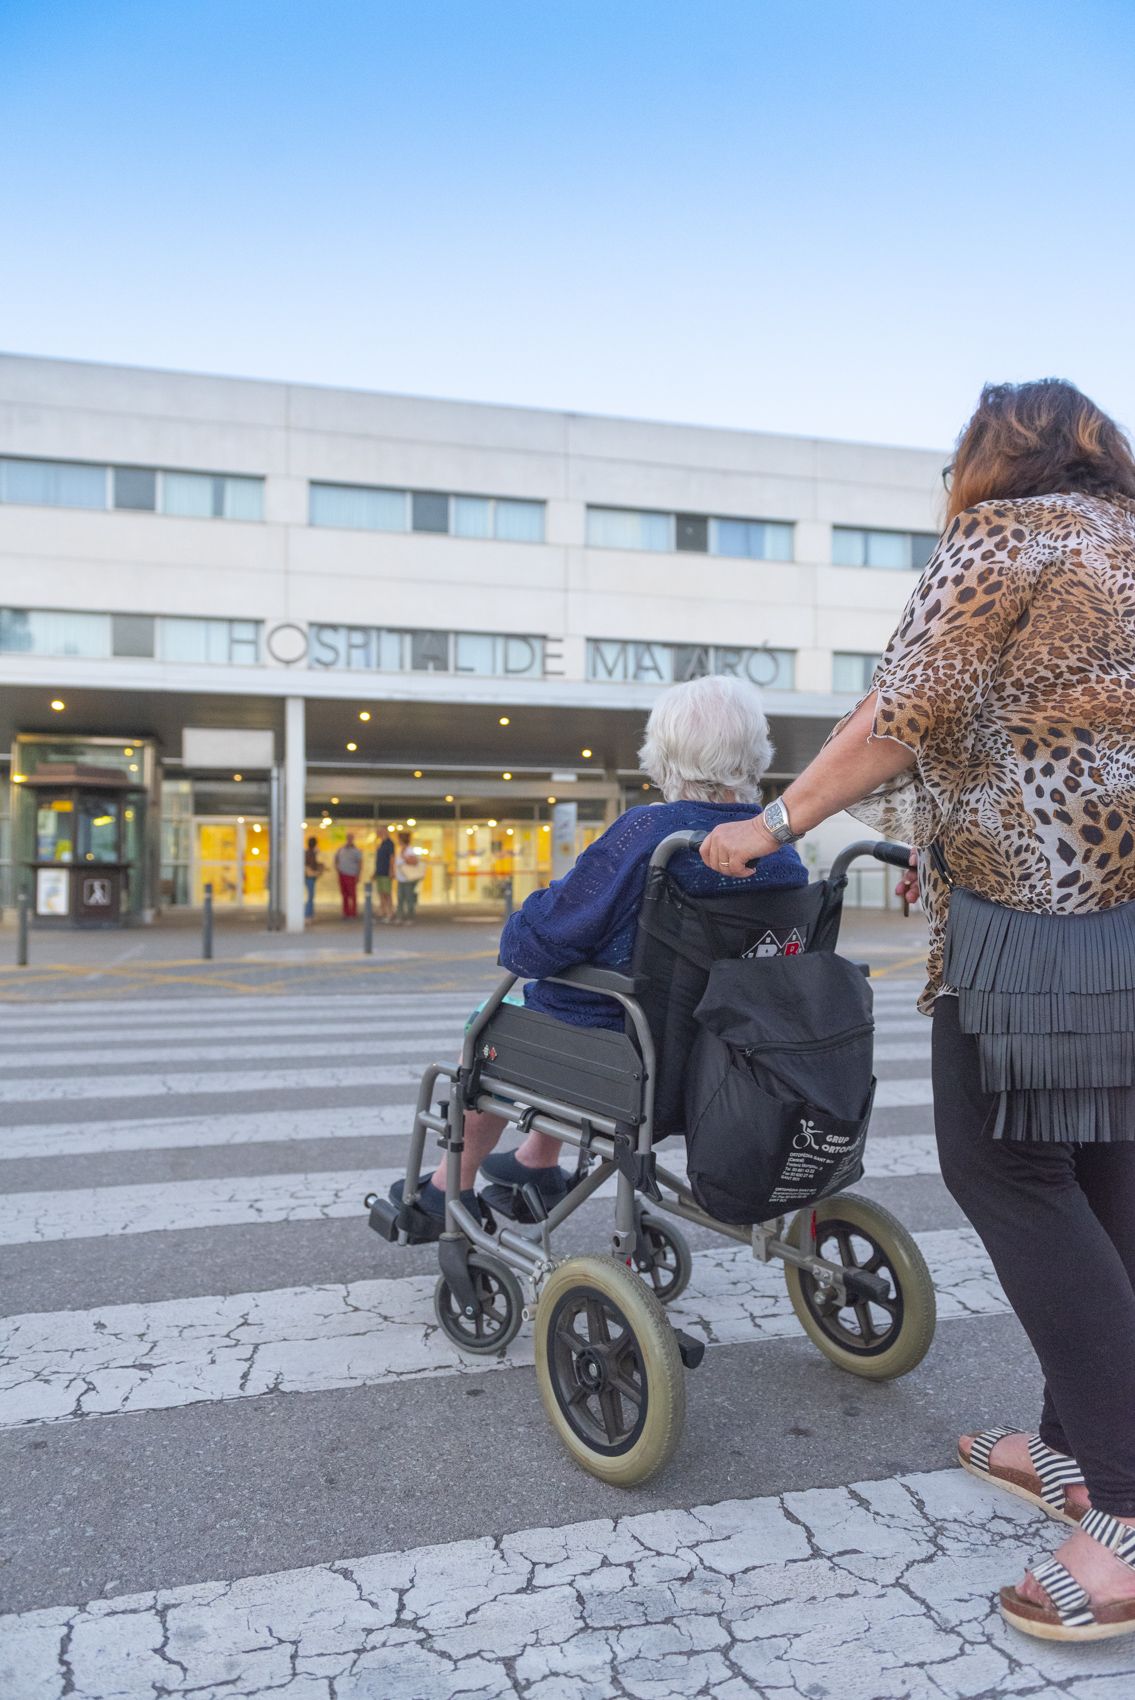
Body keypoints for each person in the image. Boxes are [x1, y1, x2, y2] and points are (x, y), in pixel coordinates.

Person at [700, 379, 1135, 1644]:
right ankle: (1070, 1443)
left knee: (1000, 1165)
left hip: (1032, 900)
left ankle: (1125, 1502)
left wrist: (774, 819)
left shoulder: (1004, 536)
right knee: (1097, 1164)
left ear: (987, 454)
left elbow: (909, 702)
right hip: (1123, 904)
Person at [390, 673, 808, 1221]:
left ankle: (446, 1188)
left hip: (631, 1055)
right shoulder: (778, 851)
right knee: (585, 994)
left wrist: (525, 917)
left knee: (489, 1023)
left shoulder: (649, 835)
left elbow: (538, 946)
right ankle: (537, 1162)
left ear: (662, 755)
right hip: (729, 1058)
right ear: (756, 752)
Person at [394, 831, 423, 923]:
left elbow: (414, 862)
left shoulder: (410, 850)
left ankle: (410, 917)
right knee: (400, 898)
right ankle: (400, 916)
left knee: (409, 898)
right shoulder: (400, 850)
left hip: (408, 878)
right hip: (401, 878)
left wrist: (404, 858)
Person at [334, 832, 362, 918]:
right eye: (348, 838)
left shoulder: (356, 851)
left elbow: (360, 863)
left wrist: (358, 875)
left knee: (352, 895)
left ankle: (353, 912)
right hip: (342, 874)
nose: (349, 839)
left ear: (353, 839)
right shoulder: (341, 849)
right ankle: (345, 912)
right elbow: (336, 859)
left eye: (351, 838)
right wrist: (337, 869)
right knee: (344, 895)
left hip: (352, 875)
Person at [373, 830, 395, 922]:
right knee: (381, 893)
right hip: (380, 872)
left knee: (387, 893)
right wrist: (375, 872)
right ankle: (383, 912)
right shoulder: (381, 844)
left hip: (386, 872)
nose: (377, 834)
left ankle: (390, 913)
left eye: (379, 832)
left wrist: (391, 870)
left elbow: (392, 857)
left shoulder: (389, 844)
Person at [303, 835, 324, 921]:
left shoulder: (310, 853)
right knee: (310, 896)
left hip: (309, 876)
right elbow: (309, 865)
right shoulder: (310, 853)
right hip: (309, 877)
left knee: (311, 896)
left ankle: (310, 914)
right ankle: (308, 914)